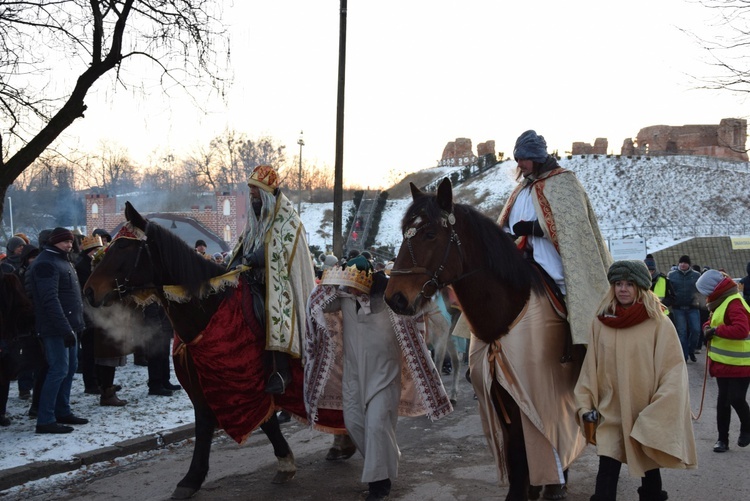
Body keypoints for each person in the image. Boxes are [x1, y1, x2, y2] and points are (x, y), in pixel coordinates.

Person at [305, 255, 452, 501]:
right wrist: (331, 280)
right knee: (353, 424)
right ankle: (386, 459)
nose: (350, 289)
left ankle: (379, 484)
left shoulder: (391, 298)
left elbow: (415, 310)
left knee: (376, 426)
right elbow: (316, 305)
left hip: (385, 375)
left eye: (354, 284)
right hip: (353, 376)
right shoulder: (344, 296)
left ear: (369, 281)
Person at [575, 260, 697, 501]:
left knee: (650, 479)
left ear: (640, 287)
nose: (623, 289)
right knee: (605, 480)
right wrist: (585, 405)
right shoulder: (600, 323)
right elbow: (590, 369)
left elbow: (673, 372)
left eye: (629, 284)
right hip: (611, 413)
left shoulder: (659, 323)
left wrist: (658, 410)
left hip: (645, 414)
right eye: (618, 284)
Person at [498, 130, 611, 345]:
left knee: (566, 286)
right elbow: (506, 222)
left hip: (550, 254)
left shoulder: (563, 182)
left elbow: (572, 225)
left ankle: (582, 343)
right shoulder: (521, 188)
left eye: (524, 158)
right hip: (520, 255)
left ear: (537, 157)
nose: (520, 164)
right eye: (517, 159)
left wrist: (533, 228)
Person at [227, 165, 316, 394]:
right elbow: (245, 240)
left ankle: (281, 371)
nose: (251, 193)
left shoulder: (288, 218)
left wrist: (258, 257)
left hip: (278, 282)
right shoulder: (256, 214)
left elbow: (284, 248)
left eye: (255, 188)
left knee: (274, 309)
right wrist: (232, 262)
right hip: (252, 276)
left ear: (267, 190)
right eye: (250, 188)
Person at [26, 227, 89, 434]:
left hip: (69, 326)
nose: (69, 245)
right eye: (65, 242)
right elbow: (49, 300)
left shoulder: (63, 259)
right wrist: (65, 329)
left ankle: (62, 411)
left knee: (70, 368)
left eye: (70, 241)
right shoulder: (46, 263)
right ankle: (45, 419)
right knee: (58, 370)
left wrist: (76, 325)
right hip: (55, 329)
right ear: (54, 242)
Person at [695, 269, 750, 453]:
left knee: (736, 398)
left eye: (705, 292)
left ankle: (747, 427)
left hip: (741, 363)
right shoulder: (720, 300)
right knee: (723, 402)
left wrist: (716, 331)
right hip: (723, 362)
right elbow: (713, 321)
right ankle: (722, 440)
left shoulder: (734, 302)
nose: (705, 296)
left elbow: (741, 330)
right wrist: (707, 328)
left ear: (713, 289)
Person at [74, 234, 129, 406]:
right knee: (98, 354)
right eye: (97, 250)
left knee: (106, 354)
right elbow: (90, 292)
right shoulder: (83, 267)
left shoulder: (93, 266)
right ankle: (100, 387)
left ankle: (104, 385)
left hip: (106, 315)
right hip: (95, 316)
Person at [667, 255, 701, 362]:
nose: (683, 264)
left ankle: (691, 350)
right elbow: (668, 290)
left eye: (685, 263)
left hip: (693, 307)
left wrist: (698, 300)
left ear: (689, 264)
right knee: (682, 332)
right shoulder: (672, 275)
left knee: (696, 330)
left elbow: (700, 289)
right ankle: (684, 356)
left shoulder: (696, 275)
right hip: (678, 308)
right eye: (681, 262)